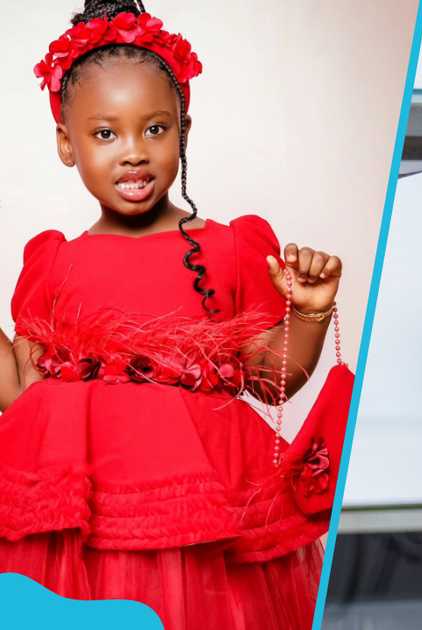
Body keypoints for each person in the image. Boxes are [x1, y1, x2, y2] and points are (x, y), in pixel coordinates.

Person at [0, 2, 346, 628]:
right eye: (105, 133)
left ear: (183, 130)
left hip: (201, 509)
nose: (133, 153)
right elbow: (22, 395)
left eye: (154, 129)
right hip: (79, 529)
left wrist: (311, 316)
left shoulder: (232, 248)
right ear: (65, 144)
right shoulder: (53, 262)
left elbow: (270, 378)